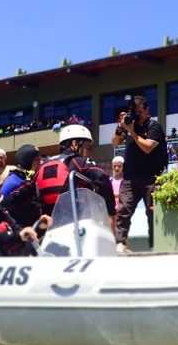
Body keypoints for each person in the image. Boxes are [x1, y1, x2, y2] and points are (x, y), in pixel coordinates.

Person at [111, 96, 167, 253]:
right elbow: (115, 142)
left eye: (139, 111)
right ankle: (120, 243)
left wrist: (132, 133)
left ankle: (154, 246)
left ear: (147, 109)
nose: (137, 115)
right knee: (123, 210)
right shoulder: (131, 125)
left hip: (152, 178)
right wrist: (120, 128)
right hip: (130, 177)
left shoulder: (154, 126)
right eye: (135, 112)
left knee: (152, 213)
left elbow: (148, 147)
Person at [33, 125, 116, 223]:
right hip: (77, 220)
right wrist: (111, 212)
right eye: (88, 147)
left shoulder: (44, 164)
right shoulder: (78, 161)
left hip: (50, 224)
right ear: (75, 144)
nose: (89, 152)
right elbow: (102, 177)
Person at [0, 144, 44, 228]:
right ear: (29, 163)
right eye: (37, 160)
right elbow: (2, 207)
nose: (40, 162)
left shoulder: (26, 177)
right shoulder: (13, 182)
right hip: (22, 231)